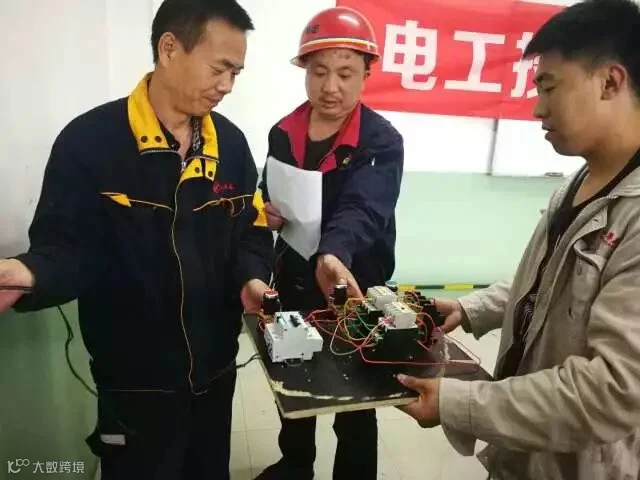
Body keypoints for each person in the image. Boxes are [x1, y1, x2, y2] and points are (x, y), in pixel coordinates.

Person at [0, 0, 274, 479]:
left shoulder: (231, 146)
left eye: (236, 73)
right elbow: (68, 250)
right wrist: (28, 273)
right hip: (131, 383)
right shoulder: (89, 143)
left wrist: (252, 278)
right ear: (169, 48)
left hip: (215, 371)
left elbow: (251, 231)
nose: (227, 85)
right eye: (219, 69)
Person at [395, 0, 640, 478]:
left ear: (610, 82)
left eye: (549, 86)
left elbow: (614, 388)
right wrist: (469, 308)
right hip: (526, 452)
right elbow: (547, 284)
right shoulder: (578, 183)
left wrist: (459, 403)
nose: (537, 107)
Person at [254, 7, 404, 480]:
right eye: (319, 72)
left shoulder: (381, 141)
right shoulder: (283, 132)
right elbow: (268, 188)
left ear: (367, 74)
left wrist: (334, 254)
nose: (330, 86)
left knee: (356, 396)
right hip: (293, 278)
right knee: (293, 378)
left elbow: (365, 208)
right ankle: (295, 465)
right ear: (304, 70)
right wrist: (265, 210)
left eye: (345, 73)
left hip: (350, 284)